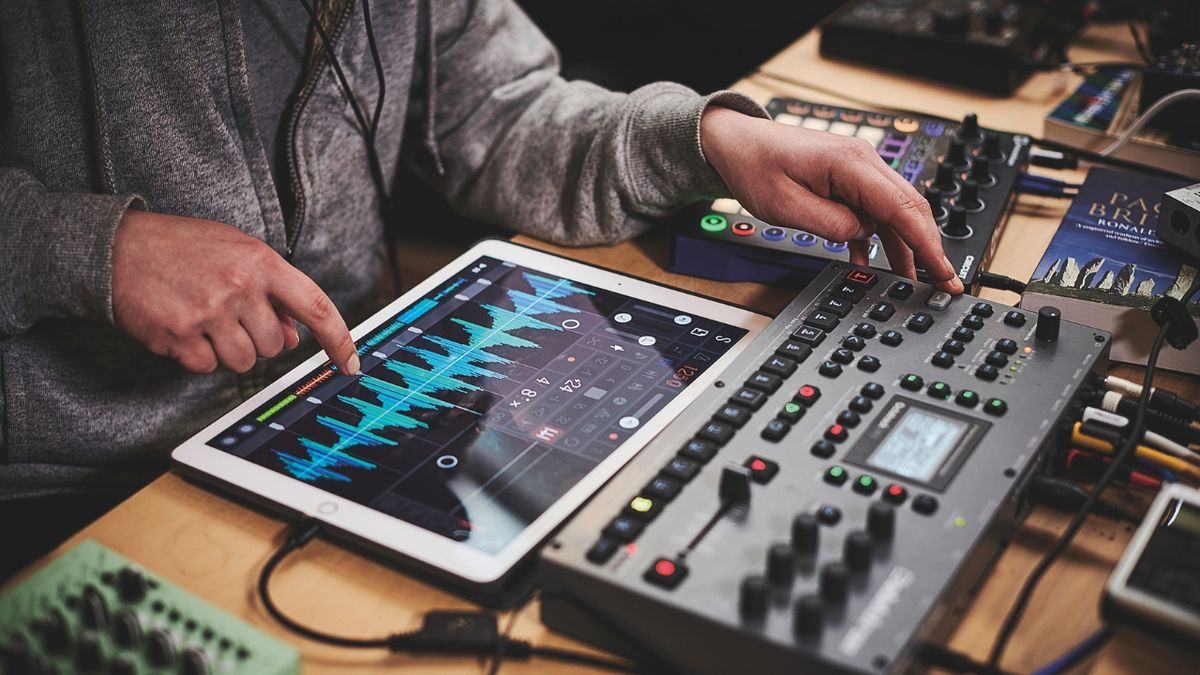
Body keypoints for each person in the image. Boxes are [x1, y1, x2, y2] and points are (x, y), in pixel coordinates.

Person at [0, 0, 961, 575]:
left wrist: (706, 141)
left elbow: (501, 118)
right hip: (75, 484)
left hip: (347, 401)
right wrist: (94, 249)